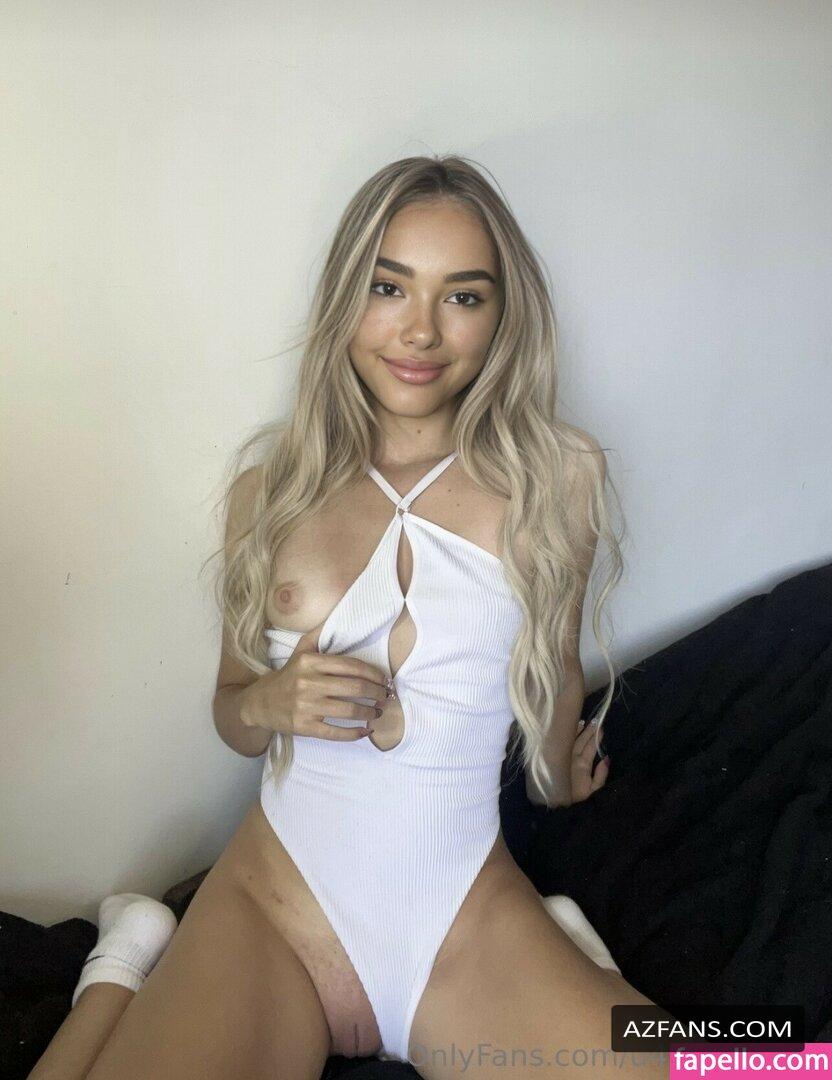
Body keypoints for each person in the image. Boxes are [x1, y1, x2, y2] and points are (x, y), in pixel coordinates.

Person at [30, 155, 667, 1079]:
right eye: (388, 286)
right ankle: (122, 961)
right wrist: (270, 701)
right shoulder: (269, 493)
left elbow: (556, 664)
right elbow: (233, 710)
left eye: (463, 296)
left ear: (502, 317)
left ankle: (562, 945)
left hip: (464, 921)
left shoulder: (560, 477)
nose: (421, 330)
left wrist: (556, 779)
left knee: (756, 1061)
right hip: (274, 909)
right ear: (346, 298)